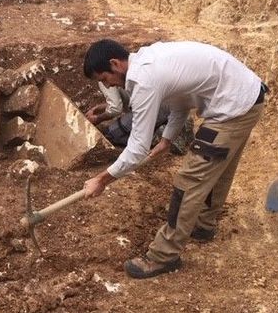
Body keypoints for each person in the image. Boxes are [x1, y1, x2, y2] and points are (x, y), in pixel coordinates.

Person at [82, 39, 267, 279]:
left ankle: (163, 256)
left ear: (115, 64)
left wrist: (102, 179)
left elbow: (137, 148)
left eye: (104, 79)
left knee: (190, 179)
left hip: (234, 105)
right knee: (217, 164)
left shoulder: (145, 81)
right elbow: (181, 103)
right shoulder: (150, 61)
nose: (108, 85)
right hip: (246, 96)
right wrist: (166, 140)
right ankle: (203, 224)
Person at [85, 81, 193, 153]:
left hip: (149, 109)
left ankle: (159, 136)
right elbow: (121, 102)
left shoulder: (103, 78)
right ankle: (176, 125)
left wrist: (97, 119)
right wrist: (98, 108)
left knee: (112, 134)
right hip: (170, 104)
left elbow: (115, 109)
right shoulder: (133, 64)